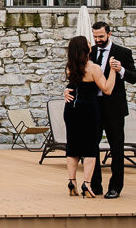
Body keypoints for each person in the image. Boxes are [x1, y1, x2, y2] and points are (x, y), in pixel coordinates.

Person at [64, 35, 116, 198]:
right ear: (84, 49)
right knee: (90, 148)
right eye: (88, 42)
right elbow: (107, 89)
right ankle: (87, 184)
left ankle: (72, 181)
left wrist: (65, 90)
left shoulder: (69, 67)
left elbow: (72, 87)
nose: (91, 44)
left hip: (71, 110)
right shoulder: (93, 68)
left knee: (72, 147)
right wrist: (113, 71)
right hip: (88, 110)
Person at [88, 21, 135, 198]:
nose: (98, 40)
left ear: (109, 34)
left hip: (114, 107)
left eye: (101, 36)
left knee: (116, 147)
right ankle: (95, 185)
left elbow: (134, 77)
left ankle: (115, 187)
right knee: (92, 146)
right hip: (93, 106)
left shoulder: (123, 52)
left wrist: (121, 69)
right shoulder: (90, 52)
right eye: (95, 37)